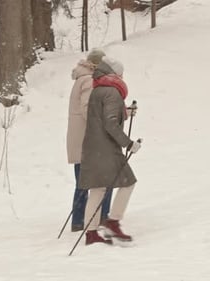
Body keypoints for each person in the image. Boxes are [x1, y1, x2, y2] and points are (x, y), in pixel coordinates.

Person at [79, 56, 141, 245]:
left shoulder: (98, 90)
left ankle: (91, 234)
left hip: (93, 146)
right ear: (114, 74)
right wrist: (129, 144)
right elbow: (110, 124)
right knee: (128, 182)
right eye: (121, 74)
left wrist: (125, 112)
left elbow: (103, 117)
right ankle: (113, 222)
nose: (122, 78)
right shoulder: (113, 92)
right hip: (106, 148)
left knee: (98, 189)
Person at [66, 49, 114, 232]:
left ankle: (79, 220)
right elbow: (89, 110)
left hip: (82, 141)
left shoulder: (82, 79)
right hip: (89, 141)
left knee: (83, 183)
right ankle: (100, 217)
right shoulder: (88, 80)